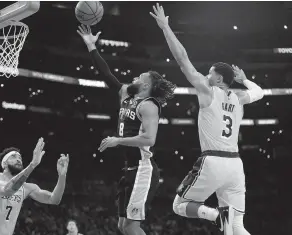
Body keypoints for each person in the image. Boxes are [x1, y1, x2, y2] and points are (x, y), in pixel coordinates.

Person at [150, 3, 264, 235]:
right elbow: (260, 92)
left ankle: (215, 215)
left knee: (179, 205)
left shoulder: (208, 90)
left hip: (213, 162)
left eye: (210, 72)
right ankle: (222, 217)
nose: (206, 74)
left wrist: (165, 28)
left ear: (219, 79)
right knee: (236, 227)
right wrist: (245, 79)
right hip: (235, 166)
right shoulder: (240, 97)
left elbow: (182, 59)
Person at [77, 24, 176, 235]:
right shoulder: (126, 95)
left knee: (132, 227)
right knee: (122, 226)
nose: (134, 79)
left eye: (139, 78)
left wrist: (118, 140)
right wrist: (91, 46)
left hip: (143, 168)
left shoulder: (148, 105)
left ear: (146, 86)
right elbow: (106, 73)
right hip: (130, 168)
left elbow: (149, 139)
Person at [0, 138, 70, 235]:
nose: (18, 159)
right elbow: (8, 191)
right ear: (5, 163)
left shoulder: (26, 187)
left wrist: (62, 176)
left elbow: (54, 199)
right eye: (13, 157)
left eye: (20, 157)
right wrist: (32, 165)